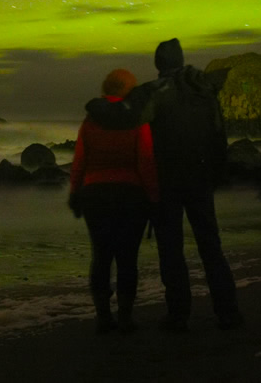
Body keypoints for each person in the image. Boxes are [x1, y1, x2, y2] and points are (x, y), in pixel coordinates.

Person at [85, 38, 243, 331]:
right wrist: (217, 174)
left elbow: (123, 117)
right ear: (181, 60)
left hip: (167, 183)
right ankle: (228, 311)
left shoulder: (157, 92)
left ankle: (179, 314)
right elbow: (220, 135)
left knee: (171, 250)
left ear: (159, 63)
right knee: (211, 246)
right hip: (201, 179)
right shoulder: (204, 90)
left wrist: (96, 106)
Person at [69, 68, 159, 334]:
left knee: (101, 256)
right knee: (127, 258)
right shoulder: (137, 119)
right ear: (129, 90)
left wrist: (75, 192)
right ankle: (125, 317)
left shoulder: (91, 120)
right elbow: (146, 161)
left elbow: (79, 161)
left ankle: (103, 316)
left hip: (95, 194)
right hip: (130, 195)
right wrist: (154, 197)